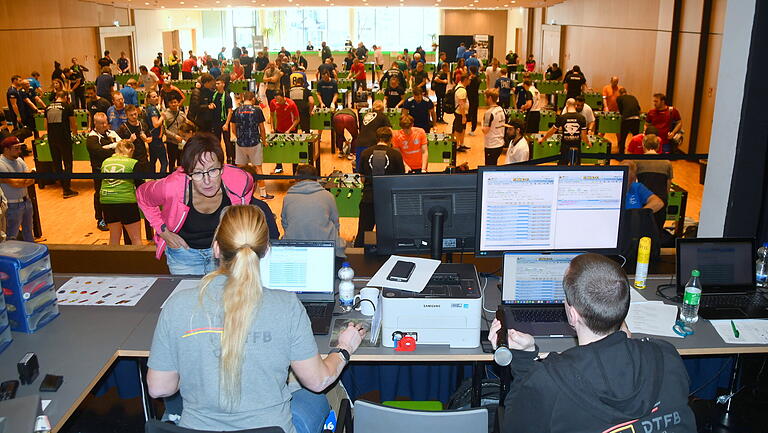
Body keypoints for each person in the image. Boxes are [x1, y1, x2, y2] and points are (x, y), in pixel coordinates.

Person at [147, 203, 365, 433]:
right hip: (272, 428)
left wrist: (197, 372)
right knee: (316, 399)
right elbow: (318, 380)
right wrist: (343, 348)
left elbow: (159, 388)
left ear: (217, 249)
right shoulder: (287, 305)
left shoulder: (177, 306)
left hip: (196, 429)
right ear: (267, 250)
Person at [488, 253, 696, 433]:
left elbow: (515, 426)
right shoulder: (666, 355)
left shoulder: (549, 380)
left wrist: (523, 361)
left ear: (572, 313)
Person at [137, 133, 273, 274]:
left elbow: (246, 195)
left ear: (222, 167)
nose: (207, 181)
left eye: (213, 170)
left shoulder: (241, 180)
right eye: (197, 173)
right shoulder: (171, 187)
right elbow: (142, 195)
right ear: (188, 173)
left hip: (223, 254)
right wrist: (163, 231)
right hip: (184, 257)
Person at [282, 164, 346, 258]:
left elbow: (285, 224)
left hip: (295, 247)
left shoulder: (288, 198)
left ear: (297, 178)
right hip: (325, 246)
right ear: (316, 179)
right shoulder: (328, 196)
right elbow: (335, 223)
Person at [355, 127, 405, 247]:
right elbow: (400, 179)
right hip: (388, 200)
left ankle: (357, 259)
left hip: (368, 198)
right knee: (388, 233)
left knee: (363, 232)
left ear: (376, 138)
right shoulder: (396, 155)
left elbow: (362, 177)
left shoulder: (365, 153)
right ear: (390, 139)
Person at [100, 140, 141, 245]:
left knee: (114, 238)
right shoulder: (133, 163)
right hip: (126, 202)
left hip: (107, 201)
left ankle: (113, 261)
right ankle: (138, 261)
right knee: (136, 239)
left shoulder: (105, 161)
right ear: (130, 150)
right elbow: (140, 185)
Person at [230, 91, 271, 200]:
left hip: (240, 144)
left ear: (244, 99)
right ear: (252, 99)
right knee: (258, 168)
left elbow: (233, 129)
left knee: (240, 169)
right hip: (254, 143)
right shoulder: (257, 110)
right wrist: (264, 141)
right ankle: (263, 193)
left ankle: (239, 192)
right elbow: (262, 128)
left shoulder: (237, 111)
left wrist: (239, 137)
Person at [87, 113, 120, 231]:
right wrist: (113, 150)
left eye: (106, 122)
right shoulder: (92, 138)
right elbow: (99, 152)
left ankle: (113, 217)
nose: (105, 125)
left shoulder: (110, 133)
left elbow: (121, 145)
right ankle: (100, 219)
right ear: (95, 124)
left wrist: (111, 147)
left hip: (113, 170)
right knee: (99, 195)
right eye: (102, 123)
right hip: (99, 171)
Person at [45, 91, 79, 198]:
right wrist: (76, 135)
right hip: (64, 139)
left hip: (52, 139)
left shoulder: (47, 107)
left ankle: (62, 184)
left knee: (57, 163)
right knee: (68, 163)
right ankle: (67, 189)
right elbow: (73, 124)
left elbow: (46, 126)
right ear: (65, 97)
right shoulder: (67, 106)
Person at [0, 137, 34, 241]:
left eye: (20, 148)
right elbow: (15, 183)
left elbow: (31, 180)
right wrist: (24, 179)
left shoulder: (19, 160)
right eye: (16, 148)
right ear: (6, 149)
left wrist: (22, 180)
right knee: (11, 235)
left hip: (26, 202)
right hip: (12, 205)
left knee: (28, 231)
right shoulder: (1, 164)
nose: (19, 151)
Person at [540, 98, 587, 165]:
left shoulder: (562, 117)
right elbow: (584, 135)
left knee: (562, 167)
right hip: (577, 146)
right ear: (575, 105)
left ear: (566, 105)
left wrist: (543, 139)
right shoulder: (581, 118)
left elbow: (552, 131)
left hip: (565, 147)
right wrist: (588, 143)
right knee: (576, 168)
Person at [269, 92, 300, 174]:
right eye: (276, 99)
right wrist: (272, 127)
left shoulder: (291, 104)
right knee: (278, 149)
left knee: (293, 151)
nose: (278, 101)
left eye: (279, 99)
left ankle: (295, 172)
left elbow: (297, 119)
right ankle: (279, 168)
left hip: (291, 130)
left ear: (284, 97)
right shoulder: (273, 102)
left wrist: (289, 130)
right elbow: (271, 115)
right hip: (279, 129)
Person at [116, 104, 150, 172]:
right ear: (126, 116)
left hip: (143, 159)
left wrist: (146, 139)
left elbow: (150, 139)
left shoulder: (143, 124)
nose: (134, 116)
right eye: (131, 115)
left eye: (135, 114)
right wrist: (129, 141)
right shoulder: (123, 128)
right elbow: (118, 145)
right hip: (130, 160)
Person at [162, 96, 189, 172]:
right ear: (168, 104)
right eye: (171, 103)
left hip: (181, 143)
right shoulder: (165, 115)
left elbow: (186, 124)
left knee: (181, 162)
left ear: (178, 103)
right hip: (171, 142)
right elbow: (164, 130)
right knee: (172, 162)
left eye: (175, 102)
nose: (173, 104)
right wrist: (175, 136)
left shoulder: (181, 114)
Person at [211, 77, 234, 164]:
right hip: (215, 122)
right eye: (216, 84)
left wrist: (226, 124)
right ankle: (218, 158)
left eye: (218, 83)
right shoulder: (214, 95)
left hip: (224, 122)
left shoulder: (227, 97)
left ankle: (229, 159)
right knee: (217, 141)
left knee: (227, 142)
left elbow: (230, 111)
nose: (217, 85)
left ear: (223, 84)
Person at [481, 89, 506, 166]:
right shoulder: (501, 109)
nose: (485, 99)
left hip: (491, 145)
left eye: (486, 97)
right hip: (500, 143)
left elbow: (485, 130)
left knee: (489, 168)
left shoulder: (489, 113)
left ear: (490, 98)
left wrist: (482, 122)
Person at [145, 91, 167, 173]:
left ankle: (152, 179)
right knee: (164, 162)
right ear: (148, 99)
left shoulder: (148, 108)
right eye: (153, 97)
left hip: (152, 138)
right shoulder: (152, 110)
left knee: (153, 161)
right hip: (156, 139)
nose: (156, 98)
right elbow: (156, 124)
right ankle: (161, 180)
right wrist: (162, 117)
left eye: (156, 96)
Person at [616, 87, 641, 154]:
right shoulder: (633, 97)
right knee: (636, 138)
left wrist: (622, 114)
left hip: (627, 119)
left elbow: (621, 109)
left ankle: (621, 154)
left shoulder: (619, 98)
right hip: (636, 119)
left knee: (623, 138)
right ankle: (636, 153)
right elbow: (638, 108)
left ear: (620, 93)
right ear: (626, 92)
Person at [453, 74, 470, 152]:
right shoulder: (462, 90)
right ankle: (456, 146)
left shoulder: (460, 87)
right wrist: (463, 116)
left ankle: (461, 144)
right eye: (469, 79)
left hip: (461, 113)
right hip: (460, 113)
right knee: (458, 130)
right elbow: (461, 104)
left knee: (462, 129)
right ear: (465, 80)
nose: (470, 81)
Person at [466, 66, 481, 136]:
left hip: (471, 99)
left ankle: (470, 128)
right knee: (474, 114)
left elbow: (468, 88)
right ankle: (473, 129)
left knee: (471, 113)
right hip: (475, 98)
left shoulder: (472, 80)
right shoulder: (478, 79)